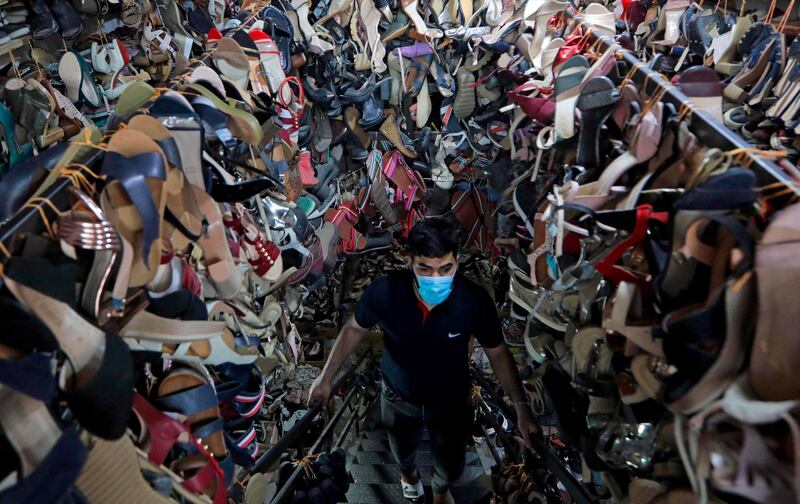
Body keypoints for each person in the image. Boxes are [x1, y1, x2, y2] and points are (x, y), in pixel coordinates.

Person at [308, 217, 539, 504]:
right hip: (398, 397)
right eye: (425, 269)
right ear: (409, 261)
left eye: (445, 268)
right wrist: (325, 377)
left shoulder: (474, 302)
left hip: (451, 402)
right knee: (402, 449)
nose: (435, 278)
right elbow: (354, 328)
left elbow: (498, 352)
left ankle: (441, 491)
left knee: (452, 462)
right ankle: (409, 476)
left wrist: (521, 407)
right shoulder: (386, 293)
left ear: (457, 261)